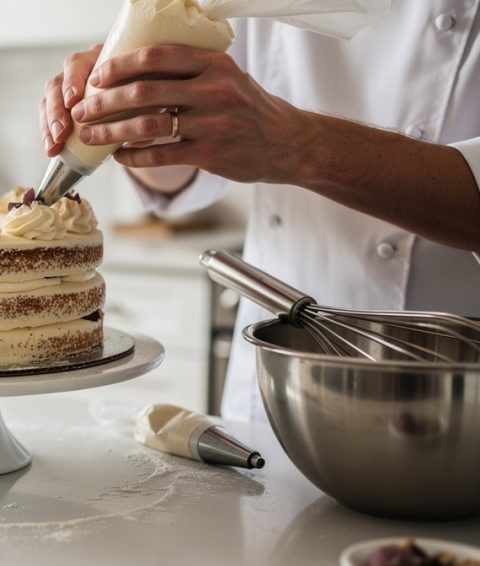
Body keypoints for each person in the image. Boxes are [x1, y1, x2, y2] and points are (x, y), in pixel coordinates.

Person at [39, 3, 480, 422]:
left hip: (452, 388)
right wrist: (139, 104)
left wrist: (295, 143)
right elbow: (186, 172)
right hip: (274, 377)